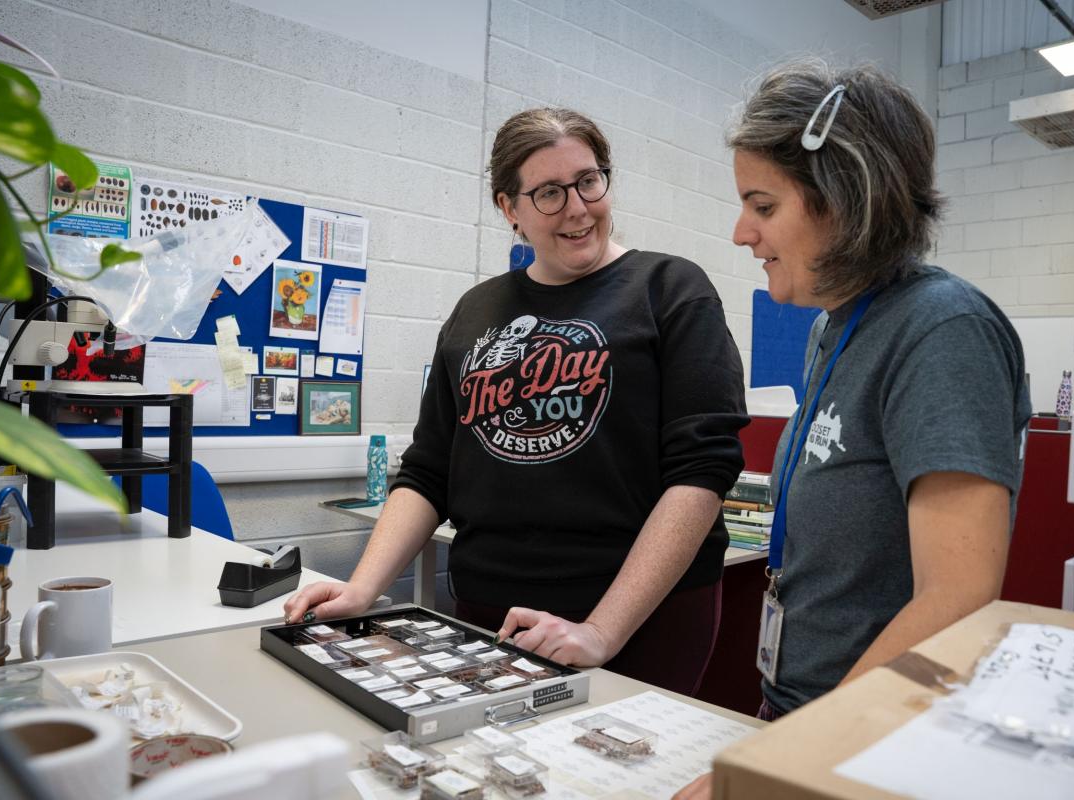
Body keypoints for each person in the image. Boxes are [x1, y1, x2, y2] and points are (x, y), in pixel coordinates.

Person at [285, 107, 749, 695]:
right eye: (549, 193)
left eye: (588, 180)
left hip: (638, 616)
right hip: (488, 606)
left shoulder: (671, 290)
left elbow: (702, 474)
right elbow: (429, 471)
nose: (578, 207)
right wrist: (361, 588)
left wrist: (601, 630)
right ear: (510, 208)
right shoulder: (475, 312)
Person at [674, 59, 1031, 798]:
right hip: (811, 717)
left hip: (877, 739)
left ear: (845, 200)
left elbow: (957, 595)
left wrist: (789, 759)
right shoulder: (834, 327)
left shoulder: (942, 329)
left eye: (763, 206)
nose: (742, 232)